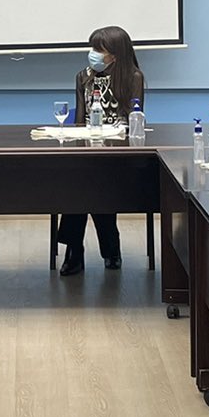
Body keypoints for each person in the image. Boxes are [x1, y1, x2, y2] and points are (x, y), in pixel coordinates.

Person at [56, 25, 144, 276]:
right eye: (92, 48)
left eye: (99, 49)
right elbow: (80, 120)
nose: (93, 54)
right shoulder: (83, 76)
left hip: (118, 153)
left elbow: (134, 117)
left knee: (94, 184)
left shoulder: (133, 77)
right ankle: (84, 249)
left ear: (115, 54)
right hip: (88, 151)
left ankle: (83, 250)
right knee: (80, 184)